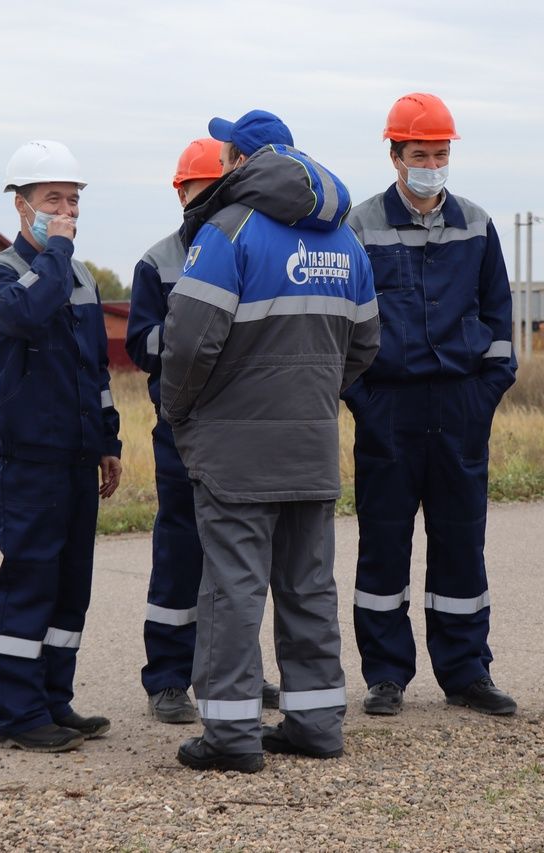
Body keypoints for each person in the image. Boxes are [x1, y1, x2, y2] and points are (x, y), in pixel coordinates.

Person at [161, 110, 379, 772]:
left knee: (232, 588)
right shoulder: (346, 241)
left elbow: (188, 344)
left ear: (240, 162)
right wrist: (311, 399)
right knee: (309, 585)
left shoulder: (229, 233)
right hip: (311, 445)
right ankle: (316, 722)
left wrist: (181, 414)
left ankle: (230, 735)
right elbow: (365, 345)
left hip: (234, 452)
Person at [344, 93, 517, 718]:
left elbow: (499, 317)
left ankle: (467, 673)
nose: (432, 165)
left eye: (441, 153)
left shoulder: (476, 222)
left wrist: (485, 392)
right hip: (388, 408)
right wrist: (363, 399)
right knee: (383, 544)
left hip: (460, 408)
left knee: (461, 543)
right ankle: (386, 676)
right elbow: (343, 328)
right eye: (420, 154)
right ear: (394, 155)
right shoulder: (358, 227)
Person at [126, 138, 282, 724]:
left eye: (215, 189)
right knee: (179, 553)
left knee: (240, 563)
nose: (206, 199)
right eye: (197, 189)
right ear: (180, 192)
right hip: (182, 431)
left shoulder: (247, 250)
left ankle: (238, 671)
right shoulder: (157, 262)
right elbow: (143, 344)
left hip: (239, 431)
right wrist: (200, 338)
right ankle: (167, 679)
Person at [0, 139, 123, 753]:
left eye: (72, 199)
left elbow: (96, 369)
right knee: (27, 582)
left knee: (71, 585)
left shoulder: (81, 277)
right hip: (28, 461)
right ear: (21, 206)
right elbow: (29, 316)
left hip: (76, 457)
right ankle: (15, 714)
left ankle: (52, 701)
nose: (66, 209)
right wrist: (57, 249)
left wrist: (108, 439)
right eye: (51, 199)